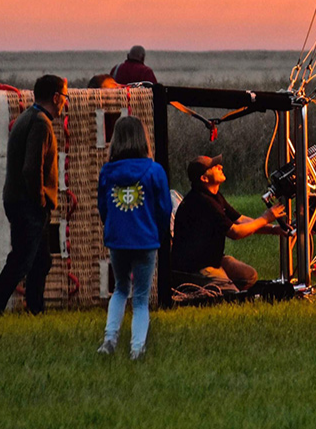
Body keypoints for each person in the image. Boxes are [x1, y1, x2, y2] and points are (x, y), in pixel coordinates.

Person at [0, 74, 67, 316]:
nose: (65, 102)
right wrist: (40, 200)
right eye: (64, 96)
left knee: (41, 261)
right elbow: (32, 168)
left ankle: (35, 310)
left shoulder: (27, 117)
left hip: (19, 200)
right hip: (28, 204)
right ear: (55, 97)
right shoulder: (41, 123)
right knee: (21, 260)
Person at [96, 116, 173, 360]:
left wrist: (112, 227)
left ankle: (109, 339)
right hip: (146, 240)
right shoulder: (154, 171)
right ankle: (137, 348)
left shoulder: (107, 172)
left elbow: (103, 207)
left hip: (118, 240)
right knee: (140, 298)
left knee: (120, 289)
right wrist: (161, 233)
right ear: (143, 139)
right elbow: (164, 208)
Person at [169, 154, 285, 290]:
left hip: (213, 259)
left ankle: (226, 284)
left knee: (249, 276)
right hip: (195, 267)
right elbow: (235, 232)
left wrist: (273, 229)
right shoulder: (201, 202)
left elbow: (240, 220)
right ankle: (199, 289)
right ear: (204, 178)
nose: (220, 166)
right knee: (230, 294)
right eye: (214, 167)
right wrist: (265, 218)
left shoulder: (214, 195)